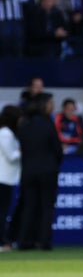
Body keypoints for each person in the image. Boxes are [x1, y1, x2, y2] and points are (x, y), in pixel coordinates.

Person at [15, 93, 63, 251]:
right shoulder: (48, 124)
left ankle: (24, 242)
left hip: (28, 170)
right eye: (50, 103)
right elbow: (57, 149)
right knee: (47, 207)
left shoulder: (24, 125)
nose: (52, 106)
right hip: (47, 171)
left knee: (29, 207)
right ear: (43, 106)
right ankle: (44, 242)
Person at [0, 105, 22, 252]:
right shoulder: (5, 133)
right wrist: (23, 150)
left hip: (7, 178)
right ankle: (1, 242)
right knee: (2, 212)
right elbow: (11, 156)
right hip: (3, 178)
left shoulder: (9, 133)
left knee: (4, 211)